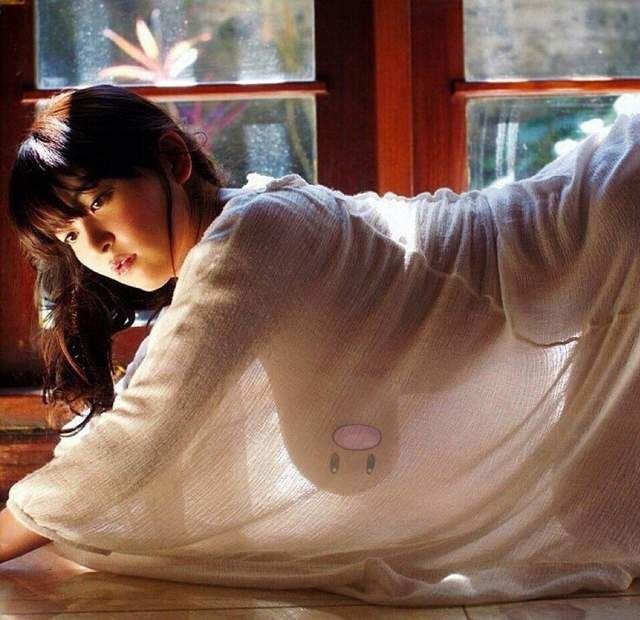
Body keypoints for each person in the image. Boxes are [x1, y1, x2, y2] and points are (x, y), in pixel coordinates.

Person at [1, 83, 640, 608]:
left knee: (591, 522)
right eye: (69, 235)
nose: (96, 244)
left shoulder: (248, 240)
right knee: (589, 517)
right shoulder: (241, 236)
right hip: (590, 237)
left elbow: (140, 438)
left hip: (605, 229)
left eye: (99, 200)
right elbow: (147, 411)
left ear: (174, 159)